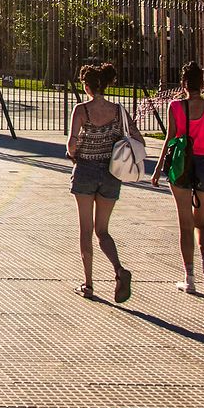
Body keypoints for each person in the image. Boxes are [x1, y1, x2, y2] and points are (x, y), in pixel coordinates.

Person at [151, 60, 204, 294]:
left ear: (184, 83)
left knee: (185, 225)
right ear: (203, 83)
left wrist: (157, 169)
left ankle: (190, 278)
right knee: (202, 223)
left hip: (181, 165)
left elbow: (170, 139)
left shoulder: (176, 107)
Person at [65, 62, 140, 302]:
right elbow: (137, 138)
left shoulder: (81, 110)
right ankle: (119, 270)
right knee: (103, 231)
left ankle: (88, 283)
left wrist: (74, 153)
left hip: (86, 170)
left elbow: (71, 144)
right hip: (111, 174)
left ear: (86, 86)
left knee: (85, 231)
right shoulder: (119, 111)